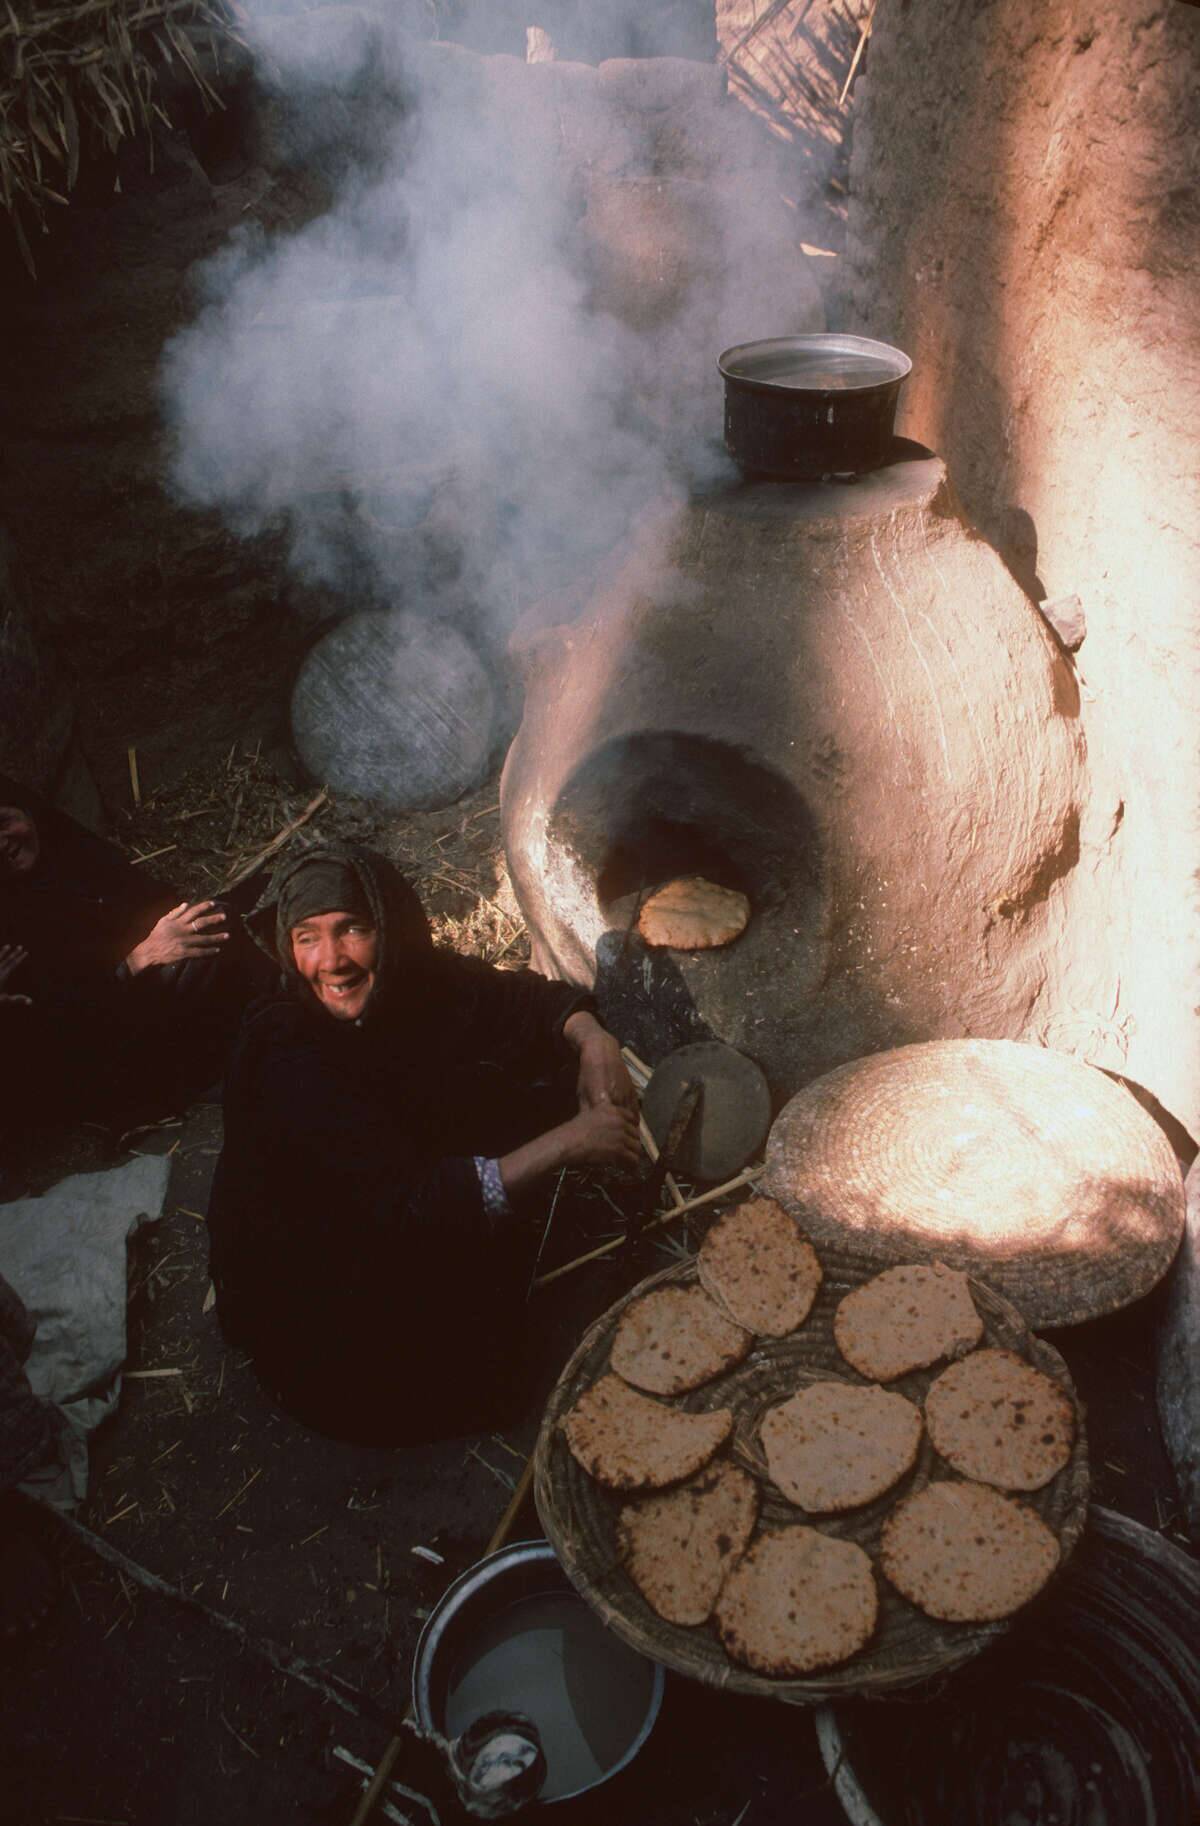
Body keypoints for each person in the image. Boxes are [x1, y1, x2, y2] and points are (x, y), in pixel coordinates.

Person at [207, 843, 640, 1443]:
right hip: (324, 1306)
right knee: (496, 1379)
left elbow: (514, 999)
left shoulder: (411, 979)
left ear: (388, 924)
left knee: (522, 1076)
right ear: (285, 946)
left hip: (395, 1197)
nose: (331, 961)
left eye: (351, 929)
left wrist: (594, 1040)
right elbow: (408, 1205)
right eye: (307, 938)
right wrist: (570, 1143)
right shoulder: (286, 1055)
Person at [0, 776, 273, 1132]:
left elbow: (148, 898)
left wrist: (170, 927)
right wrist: (136, 960)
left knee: (224, 916)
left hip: (130, 989)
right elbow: (57, 1024)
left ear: (29, 812)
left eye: (4, 822)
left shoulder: (67, 848)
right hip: (101, 1053)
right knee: (210, 949)